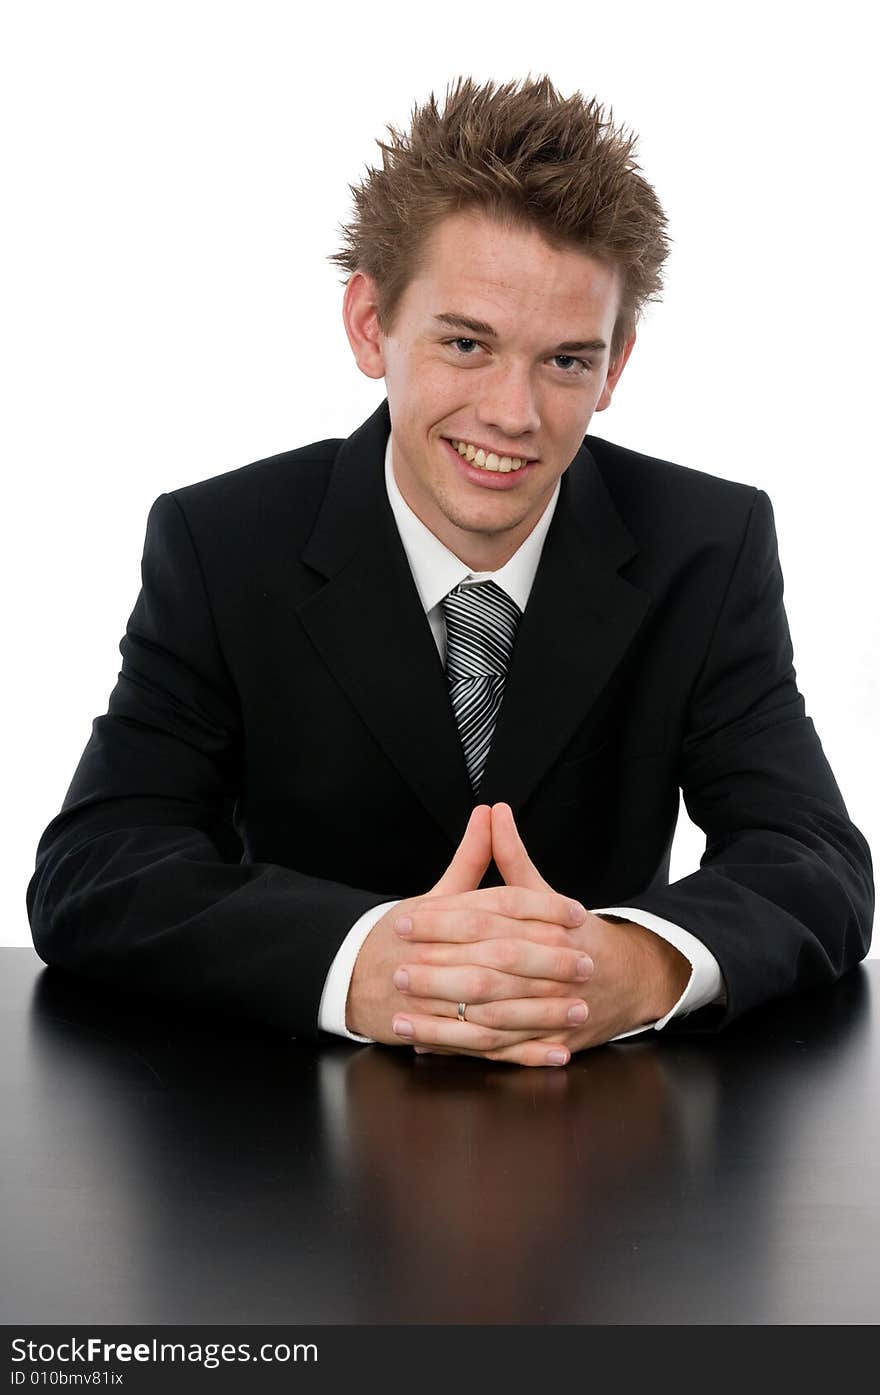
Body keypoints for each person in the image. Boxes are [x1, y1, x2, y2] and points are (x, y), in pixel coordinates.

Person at [27, 76, 873, 1068]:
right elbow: (98, 868)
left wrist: (635, 966)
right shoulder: (222, 543)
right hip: (277, 1142)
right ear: (368, 324)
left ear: (614, 366)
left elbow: (812, 858)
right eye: (466, 343)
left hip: (604, 1142)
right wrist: (367, 963)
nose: (512, 414)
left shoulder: (707, 544)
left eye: (564, 361)